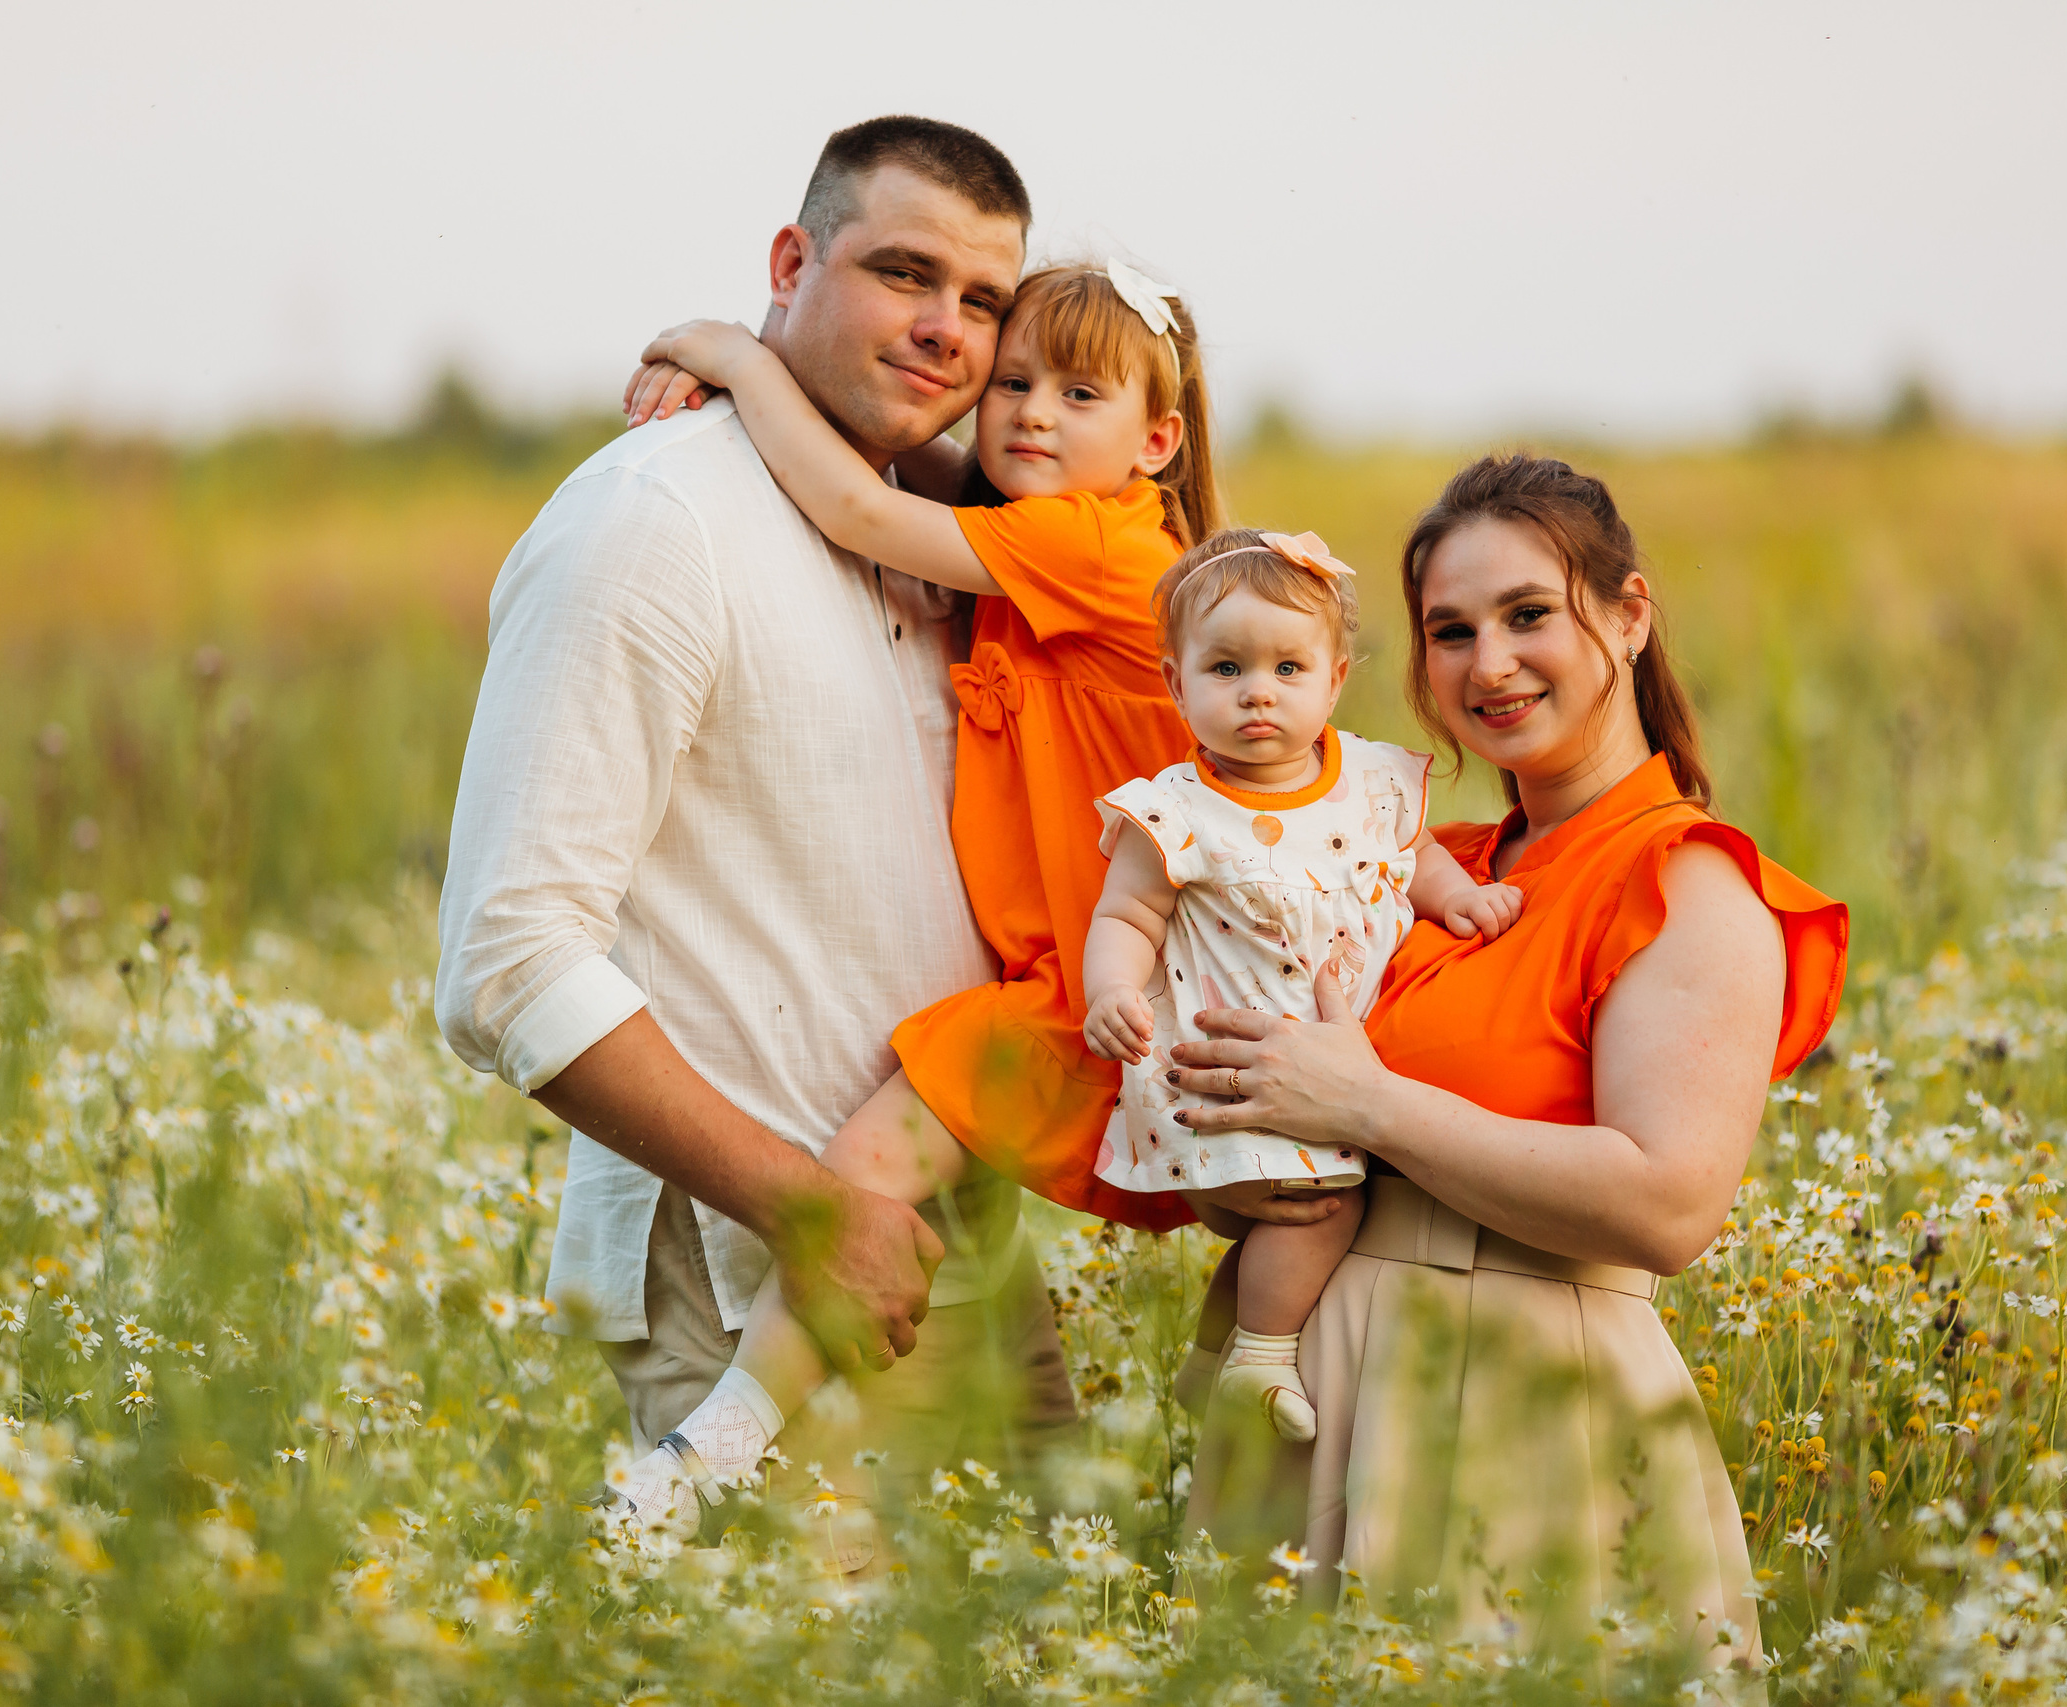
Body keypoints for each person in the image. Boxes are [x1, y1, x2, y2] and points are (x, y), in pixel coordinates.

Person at [432, 117, 1075, 1550]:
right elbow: (507, 958)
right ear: (791, 263)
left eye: (984, 301)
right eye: (905, 273)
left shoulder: (957, 534)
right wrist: (809, 1213)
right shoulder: (652, 522)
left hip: (966, 1256)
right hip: (756, 1279)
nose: (946, 330)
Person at [1167, 456, 1848, 1670]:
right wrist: (1238, 1163)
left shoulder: (1685, 881)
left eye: (1529, 615)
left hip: (1528, 1409)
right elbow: (1294, 1103)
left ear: (1627, 615)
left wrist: (1368, 1104)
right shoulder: (1422, 862)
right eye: (1450, 631)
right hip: (1319, 1391)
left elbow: (1669, 1202)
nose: (1489, 664)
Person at [596, 257, 1228, 1536]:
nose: (1030, 415)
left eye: (1079, 394)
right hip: (1077, 974)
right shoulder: (1063, 525)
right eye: (1012, 385)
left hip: (1109, 981)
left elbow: (857, 505)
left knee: (863, 1168)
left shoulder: (1097, 544)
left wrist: (739, 357)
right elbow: (902, 470)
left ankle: (717, 1442)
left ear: (1154, 442)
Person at [1081, 528, 1522, 1445]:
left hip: (1328, 1050)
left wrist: (1461, 897)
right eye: (1226, 668)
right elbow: (1126, 918)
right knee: (1322, 1204)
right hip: (1241, 1059)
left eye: (1287, 667)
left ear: (1333, 679)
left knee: (1286, 1209)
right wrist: (1112, 992)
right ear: (1176, 684)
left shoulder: (1370, 778)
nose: (1258, 692)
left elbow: (1417, 853)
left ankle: (1209, 1360)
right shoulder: (1174, 810)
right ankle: (1262, 1356)